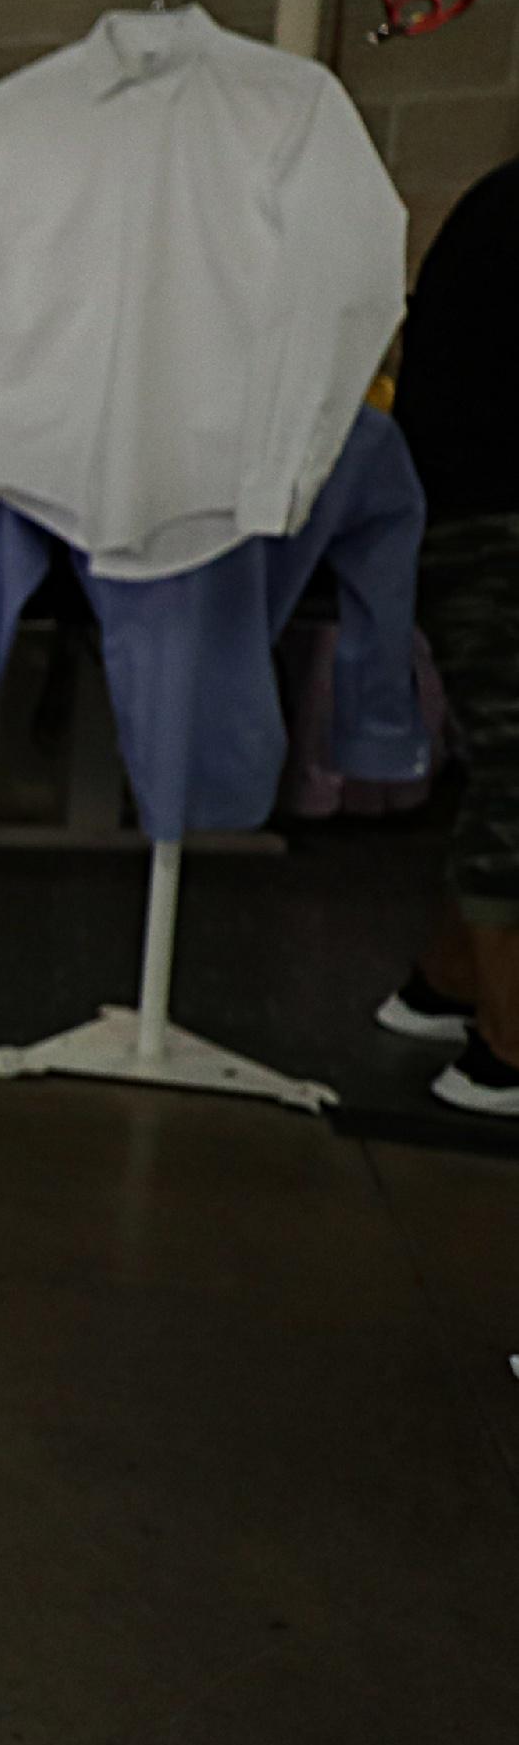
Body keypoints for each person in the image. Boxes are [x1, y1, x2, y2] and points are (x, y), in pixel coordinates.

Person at [386, 154, 519, 1117]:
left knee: (505, 764)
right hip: (494, 520)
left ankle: (446, 983)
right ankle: (506, 1050)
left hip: (463, 514)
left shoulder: (497, 200)